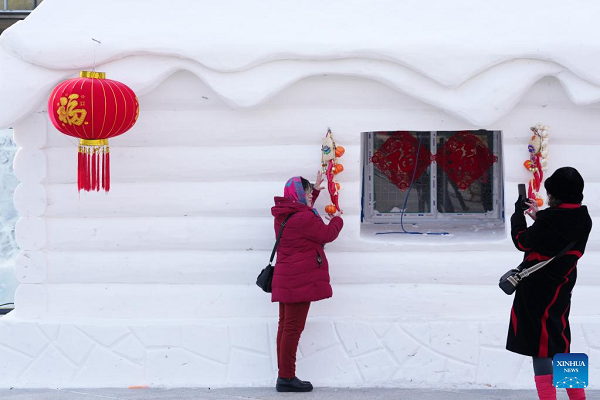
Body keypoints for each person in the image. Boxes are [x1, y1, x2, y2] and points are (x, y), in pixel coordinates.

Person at [508, 167, 592, 400]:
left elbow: (522, 242)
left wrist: (518, 214)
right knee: (560, 339)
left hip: (538, 288)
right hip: (563, 284)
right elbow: (558, 234)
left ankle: (548, 398)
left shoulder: (550, 220)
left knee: (541, 346)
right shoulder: (584, 217)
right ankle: (577, 397)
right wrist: (539, 218)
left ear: (556, 194)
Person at [270, 172, 343, 392]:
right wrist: (337, 219)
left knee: (285, 327)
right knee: (292, 329)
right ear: (300, 195)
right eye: (309, 193)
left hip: (288, 278)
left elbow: (303, 211)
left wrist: (318, 190)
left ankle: (285, 376)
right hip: (299, 280)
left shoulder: (285, 214)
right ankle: (286, 378)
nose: (311, 197)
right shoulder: (303, 218)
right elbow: (326, 234)